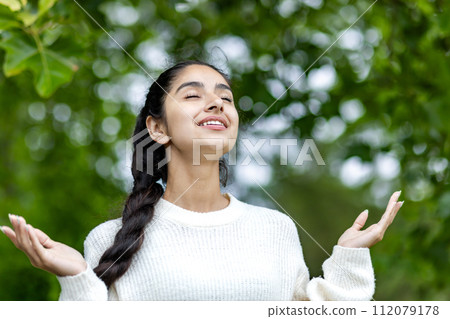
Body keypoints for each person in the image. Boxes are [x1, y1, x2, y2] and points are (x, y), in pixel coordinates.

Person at [0, 60, 403, 301]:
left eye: (225, 98)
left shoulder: (275, 229)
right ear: (157, 128)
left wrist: (347, 258)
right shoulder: (108, 240)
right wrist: (77, 279)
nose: (217, 103)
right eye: (193, 95)